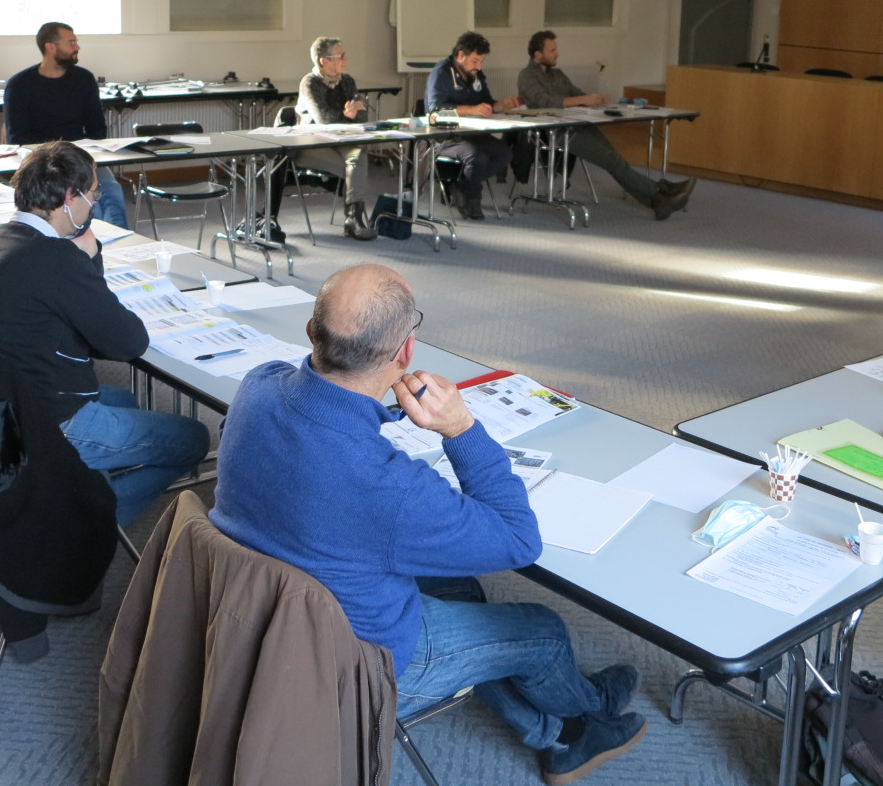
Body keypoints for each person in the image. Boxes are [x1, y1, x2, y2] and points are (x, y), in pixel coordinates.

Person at [209, 264, 647, 783]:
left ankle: (547, 727)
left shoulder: (259, 386)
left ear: (312, 332)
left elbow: (320, 422)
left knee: (460, 588)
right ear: (405, 353)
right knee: (544, 631)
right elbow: (518, 540)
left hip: (257, 615)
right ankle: (587, 717)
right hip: (360, 662)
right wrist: (460, 427)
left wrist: (381, 405)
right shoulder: (391, 490)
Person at [0, 141, 209, 527]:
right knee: (194, 438)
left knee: (122, 396)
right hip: (48, 423)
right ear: (70, 198)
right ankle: (88, 521)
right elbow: (126, 342)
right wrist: (88, 259)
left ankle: (78, 485)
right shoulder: (58, 260)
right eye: (92, 194)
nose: (93, 204)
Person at [518, 30, 695, 221]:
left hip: (581, 124)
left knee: (614, 159)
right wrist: (583, 99)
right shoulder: (526, 76)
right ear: (538, 54)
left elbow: (576, 93)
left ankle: (658, 199)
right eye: (552, 50)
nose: (557, 54)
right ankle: (660, 192)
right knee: (612, 161)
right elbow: (544, 101)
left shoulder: (558, 74)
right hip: (557, 132)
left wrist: (594, 99)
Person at [2, 22, 128, 229]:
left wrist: (81, 158)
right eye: (71, 42)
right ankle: (82, 245)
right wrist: (56, 157)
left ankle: (120, 246)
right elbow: (18, 138)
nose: (77, 47)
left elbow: (97, 130)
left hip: (80, 156)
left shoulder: (84, 79)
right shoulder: (19, 85)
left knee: (109, 191)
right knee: (76, 196)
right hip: (42, 162)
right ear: (50, 47)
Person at [423, 31, 522, 222]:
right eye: (475, 61)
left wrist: (499, 105)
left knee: (505, 154)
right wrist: (471, 109)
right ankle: (473, 198)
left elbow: (485, 102)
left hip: (472, 133)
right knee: (476, 157)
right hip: (445, 135)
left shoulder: (475, 75)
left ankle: (462, 186)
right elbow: (434, 112)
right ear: (461, 55)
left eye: (481, 61)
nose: (479, 66)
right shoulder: (441, 73)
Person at [296, 36, 376, 242]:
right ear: (324, 61)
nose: (345, 59)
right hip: (310, 143)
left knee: (358, 156)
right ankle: (354, 219)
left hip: (342, 140)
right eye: (340, 56)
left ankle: (354, 218)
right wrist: (349, 115)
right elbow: (324, 119)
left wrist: (355, 113)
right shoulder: (310, 83)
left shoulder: (347, 81)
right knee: (354, 168)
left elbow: (363, 115)